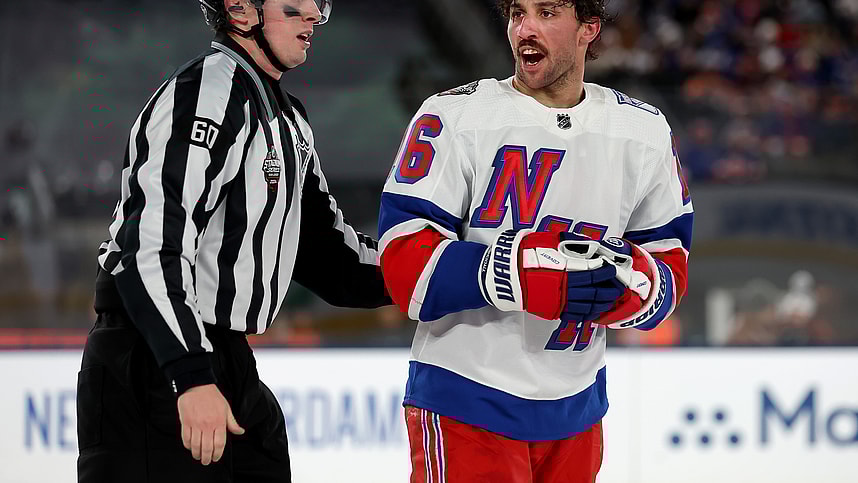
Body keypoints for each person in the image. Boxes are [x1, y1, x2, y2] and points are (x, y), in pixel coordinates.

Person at [378, 1, 694, 481]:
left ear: (589, 27)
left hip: (578, 410)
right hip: (467, 402)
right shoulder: (453, 116)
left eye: (546, 13)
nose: (525, 29)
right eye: (516, 13)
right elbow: (403, 264)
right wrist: (517, 272)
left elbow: (670, 264)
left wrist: (633, 286)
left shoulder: (642, 130)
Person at [76, 1, 390, 481]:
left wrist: (435, 270)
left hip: (223, 358)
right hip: (152, 361)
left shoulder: (288, 121)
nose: (314, 16)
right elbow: (150, 247)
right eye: (296, 4)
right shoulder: (206, 94)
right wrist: (189, 374)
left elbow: (331, 256)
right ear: (241, 11)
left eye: (318, 5)